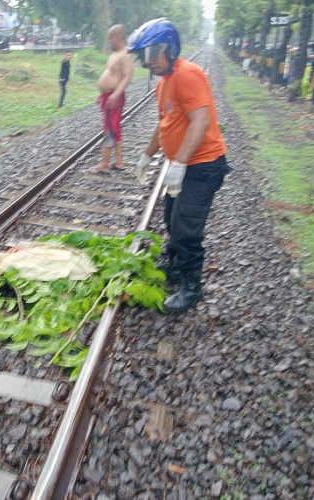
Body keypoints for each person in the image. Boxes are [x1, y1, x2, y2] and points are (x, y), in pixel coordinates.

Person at [128, 18, 230, 314]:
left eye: (151, 55)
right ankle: (174, 266)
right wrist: (147, 156)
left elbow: (201, 121)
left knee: (186, 228)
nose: (147, 63)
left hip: (203, 165)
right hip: (182, 164)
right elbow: (165, 124)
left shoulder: (187, 74)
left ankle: (192, 286)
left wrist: (180, 162)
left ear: (168, 49)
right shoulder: (164, 83)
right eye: (143, 57)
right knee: (172, 218)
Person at [88, 25, 133, 174]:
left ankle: (104, 165)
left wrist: (115, 94)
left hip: (114, 96)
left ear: (118, 37)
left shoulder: (125, 54)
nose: (109, 41)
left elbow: (127, 76)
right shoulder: (115, 54)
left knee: (109, 129)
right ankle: (119, 162)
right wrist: (102, 94)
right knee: (114, 128)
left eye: (111, 38)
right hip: (108, 95)